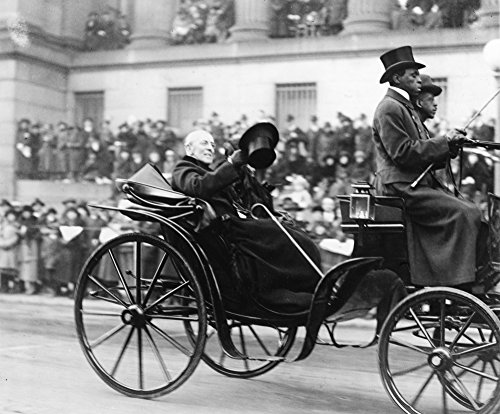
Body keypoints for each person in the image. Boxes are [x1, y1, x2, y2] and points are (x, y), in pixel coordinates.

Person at [171, 127, 322, 312]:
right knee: (278, 234)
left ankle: (303, 289)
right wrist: (231, 164)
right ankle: (277, 294)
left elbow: (237, 201)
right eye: (204, 143)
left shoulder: (209, 171)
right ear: (189, 148)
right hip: (222, 230)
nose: (210, 148)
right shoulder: (183, 169)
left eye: (212, 144)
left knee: (291, 232)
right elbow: (198, 187)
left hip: (233, 225)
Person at [372, 45, 485, 289]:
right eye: (413, 75)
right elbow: (403, 153)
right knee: (465, 213)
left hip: (413, 184)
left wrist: (449, 146)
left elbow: (422, 152)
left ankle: (465, 276)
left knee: (474, 211)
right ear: (397, 78)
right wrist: (443, 142)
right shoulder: (389, 107)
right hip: (400, 187)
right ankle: (455, 282)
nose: (418, 80)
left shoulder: (405, 108)